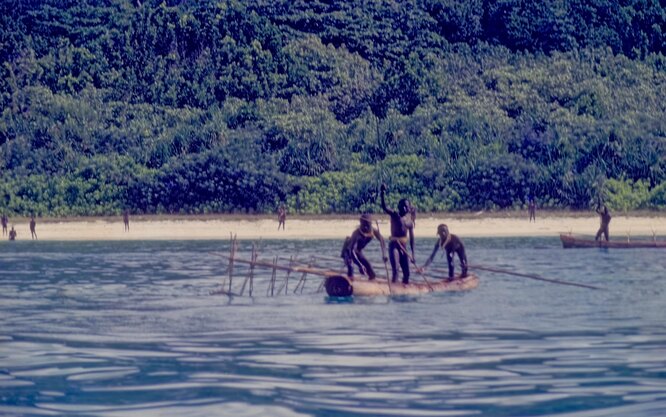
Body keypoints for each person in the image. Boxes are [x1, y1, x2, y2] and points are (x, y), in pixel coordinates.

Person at [380, 183, 415, 284]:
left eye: (406, 207)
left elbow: (412, 239)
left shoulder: (409, 221)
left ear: (409, 208)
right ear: (399, 207)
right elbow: (384, 207)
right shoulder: (395, 215)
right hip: (394, 246)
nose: (404, 208)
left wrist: (413, 254)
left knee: (407, 273)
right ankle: (394, 291)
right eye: (402, 206)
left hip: (404, 247)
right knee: (396, 270)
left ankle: (404, 291)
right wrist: (382, 193)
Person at [340, 214, 387, 280]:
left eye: (367, 225)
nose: (365, 227)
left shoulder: (373, 231)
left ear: (370, 223)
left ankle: (371, 286)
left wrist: (384, 254)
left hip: (358, 251)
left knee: (371, 273)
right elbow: (352, 251)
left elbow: (382, 240)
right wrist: (360, 265)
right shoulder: (356, 233)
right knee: (351, 267)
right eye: (363, 224)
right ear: (360, 222)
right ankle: (349, 284)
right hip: (348, 251)